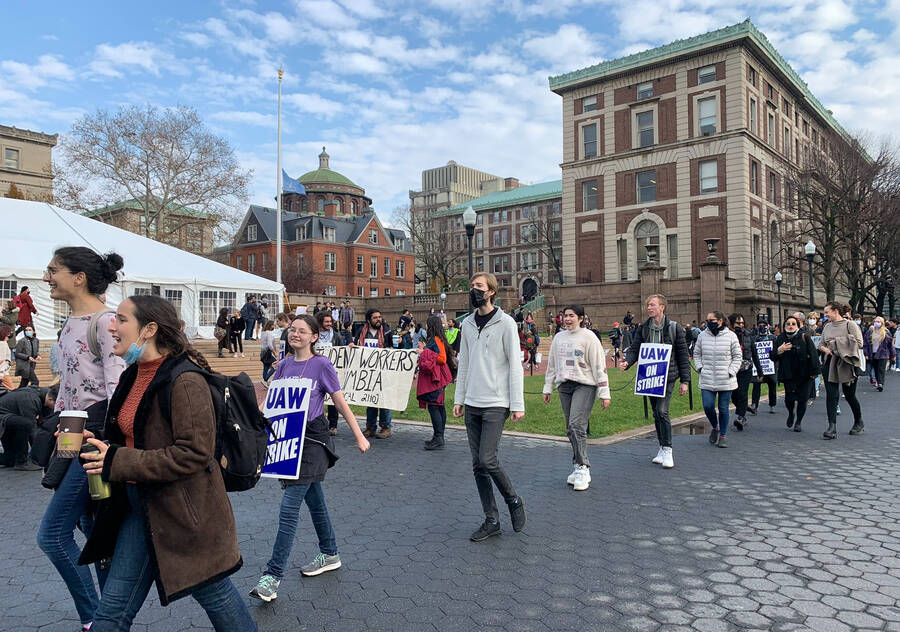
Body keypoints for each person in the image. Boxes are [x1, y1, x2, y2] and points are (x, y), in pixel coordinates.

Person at [78, 295, 257, 631]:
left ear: (149, 329)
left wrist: (116, 459)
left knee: (216, 595)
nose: (112, 326)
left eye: (120, 319)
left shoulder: (185, 380)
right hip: (139, 508)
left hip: (186, 517)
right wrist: (91, 441)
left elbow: (193, 453)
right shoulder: (134, 374)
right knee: (111, 614)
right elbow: (130, 437)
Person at [250, 314, 370, 603]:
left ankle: (272, 577)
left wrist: (358, 435)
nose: (296, 335)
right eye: (292, 330)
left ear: (314, 337)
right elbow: (272, 403)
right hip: (288, 439)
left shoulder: (321, 365)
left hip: (313, 441)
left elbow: (340, 402)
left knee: (289, 508)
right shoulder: (285, 364)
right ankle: (330, 553)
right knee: (314, 499)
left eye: (302, 331)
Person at [38, 247, 126, 632]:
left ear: (79, 277)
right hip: (70, 433)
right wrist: (56, 403)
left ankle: (96, 616)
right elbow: (75, 379)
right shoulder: (70, 321)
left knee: (52, 536)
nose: (46, 277)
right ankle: (109, 620)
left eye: (53, 270)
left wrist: (113, 448)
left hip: (95, 440)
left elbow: (118, 389)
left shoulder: (105, 323)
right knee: (94, 535)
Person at [453, 272, 526, 541]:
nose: (474, 290)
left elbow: (515, 366)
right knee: (477, 465)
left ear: (491, 292)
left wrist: (517, 403)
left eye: (479, 287)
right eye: (471, 286)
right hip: (472, 402)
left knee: (488, 458)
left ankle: (513, 500)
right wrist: (459, 399)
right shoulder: (467, 325)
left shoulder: (506, 323)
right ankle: (491, 519)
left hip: (496, 402)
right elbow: (465, 364)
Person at [543, 304, 611, 489]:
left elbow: (599, 366)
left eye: (572, 316)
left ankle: (583, 467)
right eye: (565, 316)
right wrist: (547, 388)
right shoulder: (558, 338)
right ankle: (577, 465)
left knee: (576, 425)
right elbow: (552, 365)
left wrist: (604, 393)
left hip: (585, 385)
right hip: (564, 386)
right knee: (570, 427)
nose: (567, 319)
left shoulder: (589, 337)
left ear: (581, 318)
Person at [619, 295, 691, 468]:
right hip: (649, 376)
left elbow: (682, 356)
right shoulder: (643, 328)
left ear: (662, 307)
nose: (649, 308)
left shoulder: (674, 328)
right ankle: (661, 446)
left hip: (668, 377)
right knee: (656, 413)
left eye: (652, 305)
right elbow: (635, 349)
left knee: (662, 411)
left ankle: (667, 449)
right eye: (648, 305)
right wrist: (627, 362)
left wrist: (685, 381)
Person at [693, 311, 742, 448]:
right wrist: (700, 368)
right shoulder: (702, 336)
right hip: (707, 377)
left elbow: (738, 356)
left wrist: (731, 371)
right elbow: (696, 353)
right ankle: (715, 427)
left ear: (720, 321)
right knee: (708, 406)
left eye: (712, 320)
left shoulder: (731, 336)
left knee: (723, 408)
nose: (709, 322)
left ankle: (723, 435)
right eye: (707, 320)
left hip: (725, 378)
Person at [818, 301, 864, 439]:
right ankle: (832, 427)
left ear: (835, 311)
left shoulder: (850, 325)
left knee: (849, 395)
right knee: (831, 395)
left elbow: (859, 343)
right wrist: (826, 348)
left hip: (847, 363)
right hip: (830, 363)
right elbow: (821, 344)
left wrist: (837, 343)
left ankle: (858, 421)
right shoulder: (827, 327)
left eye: (827, 312)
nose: (825, 315)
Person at [770, 316, 820, 432]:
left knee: (802, 399)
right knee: (789, 399)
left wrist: (815, 372)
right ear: (784, 326)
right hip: (788, 375)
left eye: (793, 324)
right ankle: (791, 413)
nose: (790, 326)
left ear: (798, 326)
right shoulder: (780, 338)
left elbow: (813, 354)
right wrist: (779, 350)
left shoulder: (804, 337)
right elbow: (772, 357)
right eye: (788, 324)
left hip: (804, 374)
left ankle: (798, 422)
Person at [354, 309, 395, 438]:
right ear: (368, 320)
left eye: (379, 317)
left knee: (383, 400)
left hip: (383, 370)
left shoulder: (387, 331)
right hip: (368, 371)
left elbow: (394, 349)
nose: (378, 319)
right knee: (370, 399)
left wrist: (395, 346)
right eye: (375, 317)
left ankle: (386, 427)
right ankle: (370, 427)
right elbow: (357, 348)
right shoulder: (361, 332)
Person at [416, 315, 454, 450]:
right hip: (438, 378)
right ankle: (439, 436)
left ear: (431, 326)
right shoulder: (438, 339)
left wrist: (424, 352)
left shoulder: (436, 340)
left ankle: (438, 437)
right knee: (438, 406)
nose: (426, 327)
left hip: (436, 379)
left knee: (434, 406)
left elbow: (442, 358)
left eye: (427, 324)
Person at [0, 383, 57, 470]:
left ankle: (13, 458)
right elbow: (32, 429)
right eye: (55, 405)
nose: (55, 409)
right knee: (26, 424)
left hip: (10, 419)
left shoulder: (44, 395)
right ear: (51, 400)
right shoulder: (30, 399)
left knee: (10, 460)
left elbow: (46, 426)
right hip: (3, 419)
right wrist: (39, 456)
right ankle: (22, 462)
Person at [728, 313, 760, 431]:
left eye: (742, 323)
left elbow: (754, 354)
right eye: (737, 323)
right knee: (734, 395)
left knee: (742, 392)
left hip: (746, 369)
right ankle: (743, 407)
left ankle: (741, 417)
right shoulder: (728, 335)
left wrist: (760, 372)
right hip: (732, 369)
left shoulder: (748, 335)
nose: (740, 325)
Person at [315, 310, 344, 435]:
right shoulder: (313, 335)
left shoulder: (336, 336)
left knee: (333, 399)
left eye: (330, 321)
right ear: (320, 322)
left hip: (332, 371)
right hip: (315, 371)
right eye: (326, 321)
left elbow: (342, 351)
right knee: (317, 398)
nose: (329, 324)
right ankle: (319, 423)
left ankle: (333, 425)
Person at [749, 318, 777, 415]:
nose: (762, 327)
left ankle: (772, 404)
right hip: (759, 367)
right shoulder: (754, 339)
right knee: (756, 384)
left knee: (772, 385)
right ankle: (754, 405)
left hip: (770, 366)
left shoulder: (773, 338)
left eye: (764, 326)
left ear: (768, 326)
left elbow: (776, 351)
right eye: (760, 325)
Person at [863, 316, 894, 391]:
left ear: (882, 323)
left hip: (883, 353)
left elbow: (890, 345)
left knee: (881, 369)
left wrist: (892, 355)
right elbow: (866, 343)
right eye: (876, 321)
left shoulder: (886, 332)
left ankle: (880, 384)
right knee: (875, 369)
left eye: (878, 322)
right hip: (873, 353)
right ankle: (877, 380)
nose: (877, 323)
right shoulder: (870, 331)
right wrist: (866, 354)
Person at [0, 324, 13, 390]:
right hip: (2, 372)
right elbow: (1, 360)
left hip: (4, 372)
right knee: (12, 390)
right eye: (9, 332)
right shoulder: (3, 344)